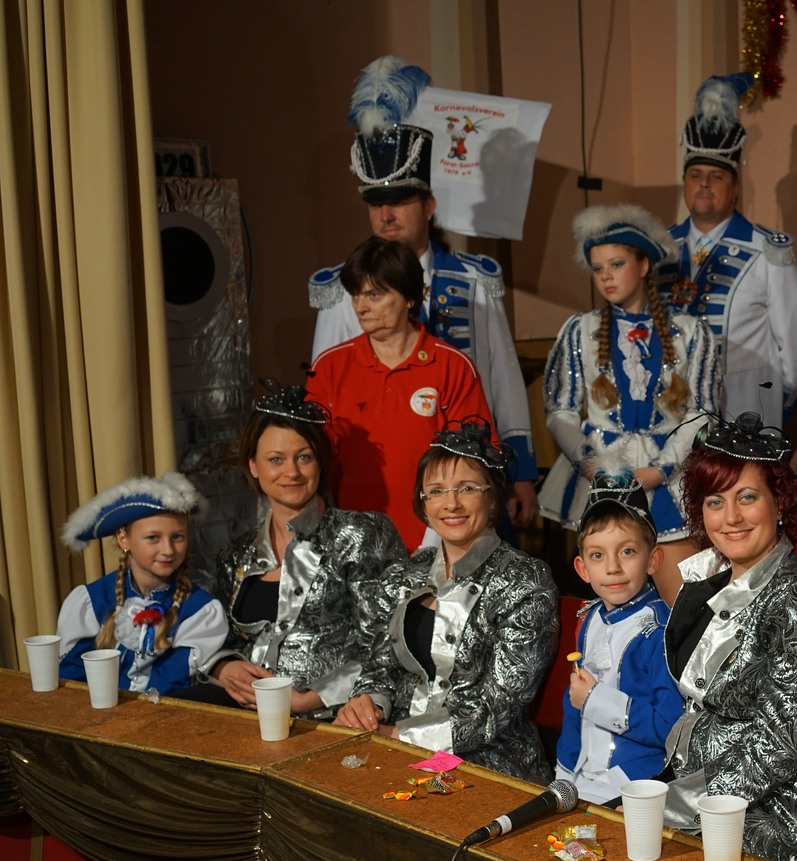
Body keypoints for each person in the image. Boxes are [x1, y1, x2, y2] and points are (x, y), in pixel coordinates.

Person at [308, 56, 536, 526]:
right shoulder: (340, 289)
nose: (385, 215)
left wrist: (522, 472)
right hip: (372, 485)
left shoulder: (475, 280)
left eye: (398, 202)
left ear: (428, 205)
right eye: (375, 203)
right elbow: (326, 398)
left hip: (466, 485)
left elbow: (503, 379)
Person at [661, 413, 797, 861]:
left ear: (779, 503)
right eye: (715, 501)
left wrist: (669, 807)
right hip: (687, 790)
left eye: (747, 497)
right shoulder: (706, 581)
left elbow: (777, 745)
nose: (730, 517)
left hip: (765, 819)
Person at [337, 422, 558, 782]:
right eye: (436, 491)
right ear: (423, 505)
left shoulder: (525, 580)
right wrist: (368, 705)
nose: (451, 503)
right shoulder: (407, 573)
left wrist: (401, 738)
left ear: (492, 497)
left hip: (488, 762)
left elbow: (499, 704)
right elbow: (380, 666)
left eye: (467, 488)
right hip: (394, 745)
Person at [183, 381, 404, 717]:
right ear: (253, 466)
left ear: (320, 463)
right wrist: (222, 666)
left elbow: (386, 643)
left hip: (327, 715)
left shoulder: (361, 535)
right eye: (276, 459)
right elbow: (222, 638)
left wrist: (308, 698)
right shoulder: (236, 555)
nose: (292, 472)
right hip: (243, 710)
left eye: (304, 457)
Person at [540, 205, 723, 604]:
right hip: (600, 478)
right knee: (606, 593)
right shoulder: (581, 330)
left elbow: (703, 412)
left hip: (670, 478)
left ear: (643, 265)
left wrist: (660, 470)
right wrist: (590, 463)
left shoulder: (691, 332)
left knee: (682, 603)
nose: (605, 276)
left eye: (616, 264)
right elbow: (560, 409)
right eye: (597, 268)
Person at [307, 237, 496, 552]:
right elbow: (311, 459)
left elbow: (476, 464)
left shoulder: (452, 366)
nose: (360, 307)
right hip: (350, 546)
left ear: (410, 297)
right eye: (356, 295)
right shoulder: (329, 367)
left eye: (374, 294)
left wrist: (434, 544)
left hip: (438, 544)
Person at [658, 74, 797, 424]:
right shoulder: (659, 248)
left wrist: (770, 407)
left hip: (744, 410)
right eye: (695, 174)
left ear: (735, 188)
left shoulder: (769, 251)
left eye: (716, 176)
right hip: (670, 415)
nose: (704, 183)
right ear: (685, 183)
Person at [555, 473, 684, 807]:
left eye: (627, 551)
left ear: (653, 559)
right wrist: (564, 774)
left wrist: (595, 700)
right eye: (598, 555)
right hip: (580, 779)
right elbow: (573, 704)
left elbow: (672, 729)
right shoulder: (588, 618)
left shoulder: (660, 631)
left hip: (634, 786)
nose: (612, 567)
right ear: (583, 568)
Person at [57, 473, 226, 696]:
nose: (168, 550)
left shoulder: (200, 610)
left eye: (177, 537)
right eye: (153, 537)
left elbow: (173, 682)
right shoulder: (91, 601)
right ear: (123, 539)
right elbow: (71, 677)